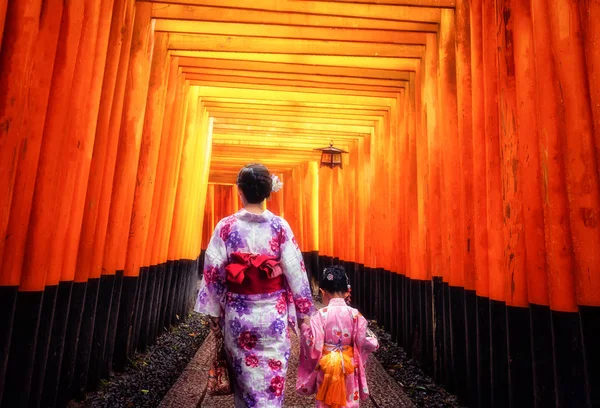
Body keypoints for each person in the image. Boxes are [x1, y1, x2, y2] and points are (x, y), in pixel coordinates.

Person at [195, 163, 315, 407]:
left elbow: (213, 270)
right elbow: (295, 268)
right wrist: (304, 312)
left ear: (240, 191)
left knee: (245, 382)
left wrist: (214, 311)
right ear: (268, 192)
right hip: (274, 315)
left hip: (239, 318)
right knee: (273, 378)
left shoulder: (226, 227)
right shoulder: (280, 226)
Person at [296, 265, 378, 408]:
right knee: (349, 399)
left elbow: (312, 343)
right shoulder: (355, 315)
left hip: (326, 366)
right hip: (348, 365)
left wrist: (303, 327)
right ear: (347, 292)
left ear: (322, 292)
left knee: (325, 400)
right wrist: (373, 343)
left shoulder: (320, 315)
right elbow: (363, 341)